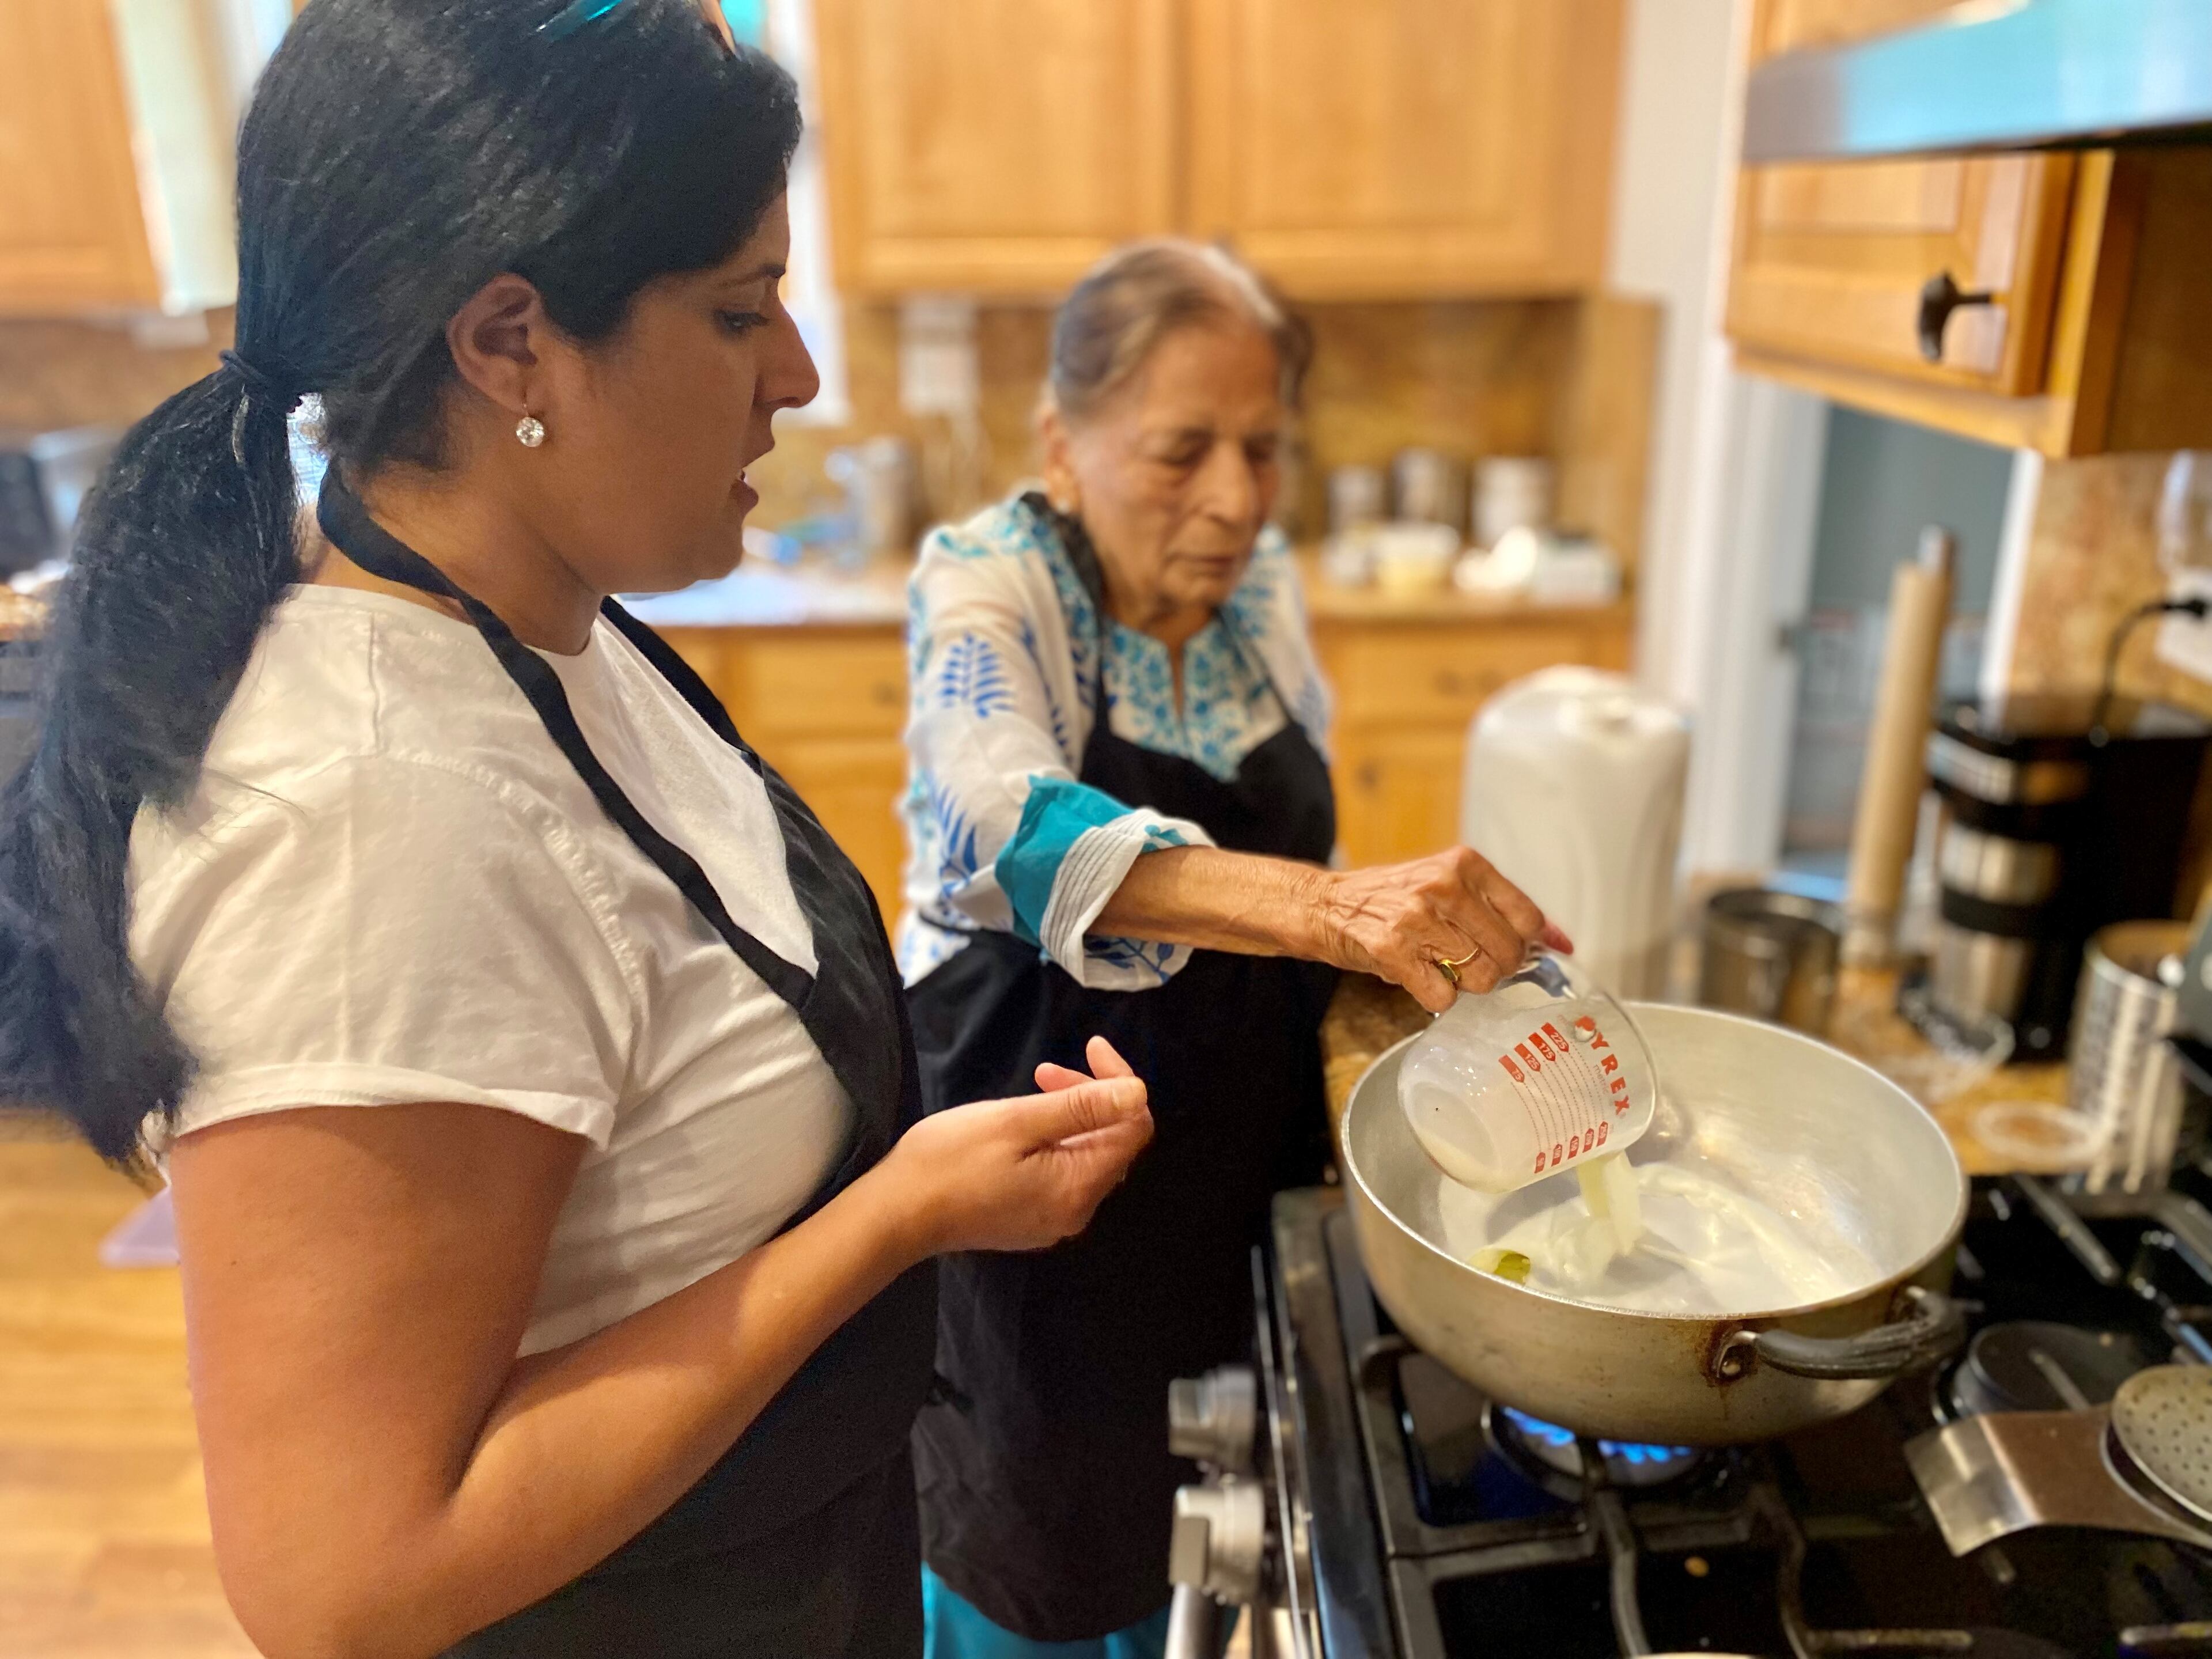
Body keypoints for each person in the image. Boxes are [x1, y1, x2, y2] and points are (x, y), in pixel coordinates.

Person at [0, 5, 1154, 1656]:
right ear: (511, 344)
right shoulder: (370, 830)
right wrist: (895, 1216)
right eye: (740, 309)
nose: (799, 373)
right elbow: (348, 1578)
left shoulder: (545, 618)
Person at [899, 240, 1569, 1655]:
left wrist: (1422, 976)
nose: (1234, 501)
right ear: (1061, 445)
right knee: (1049, 1545)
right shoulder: (989, 584)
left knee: (1227, 1525)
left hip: (1236, 1164)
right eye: (1181, 450)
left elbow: (1298, 846)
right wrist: (1334, 912)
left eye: (1263, 451)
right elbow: (994, 821)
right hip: (1050, 1180)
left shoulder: (1258, 597)